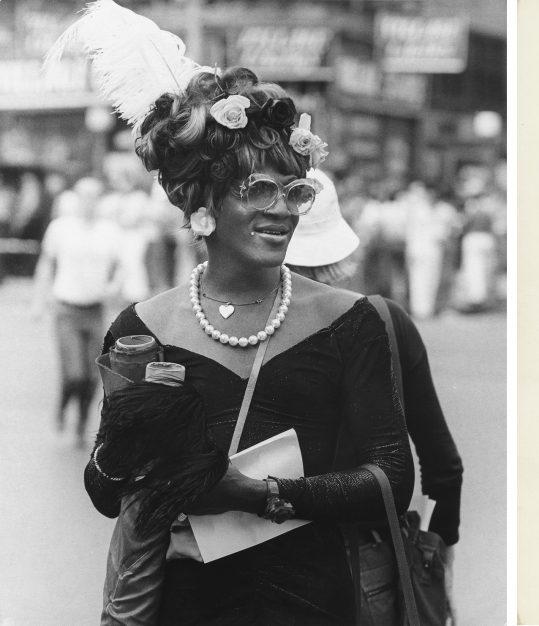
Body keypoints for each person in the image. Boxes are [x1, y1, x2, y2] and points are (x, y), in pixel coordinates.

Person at [83, 66, 413, 624]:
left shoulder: (350, 321)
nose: (282, 210)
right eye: (259, 189)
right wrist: (124, 440)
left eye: (295, 191)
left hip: (311, 601)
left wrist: (256, 493)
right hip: (183, 605)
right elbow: (105, 490)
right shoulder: (144, 327)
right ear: (203, 206)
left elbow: (390, 479)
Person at [285, 169, 464, 623]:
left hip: (266, 562)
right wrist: (438, 552)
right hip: (368, 562)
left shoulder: (234, 330)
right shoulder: (385, 320)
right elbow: (444, 466)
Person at [31, 176, 122, 445]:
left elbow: (119, 269)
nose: (89, 203)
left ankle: (81, 422)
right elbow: (46, 265)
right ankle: (62, 403)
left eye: (94, 197)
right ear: (76, 199)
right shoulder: (61, 228)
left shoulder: (110, 232)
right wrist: (38, 300)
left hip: (94, 310)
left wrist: (114, 287)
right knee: (74, 374)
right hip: (66, 309)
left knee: (92, 376)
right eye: (84, 197)